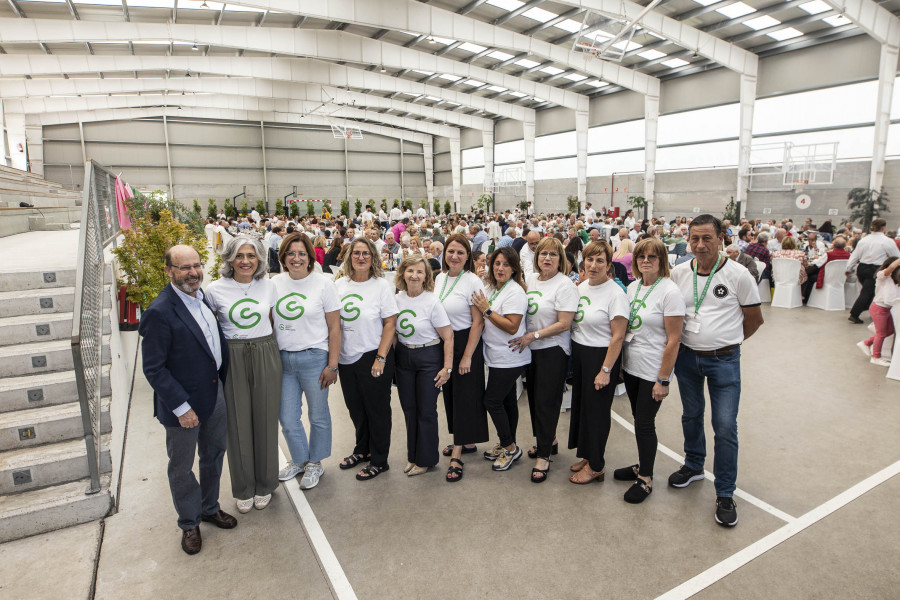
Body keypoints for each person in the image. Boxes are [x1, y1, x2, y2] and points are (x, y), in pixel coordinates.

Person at [140, 244, 236, 555]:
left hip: (213, 393)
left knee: (213, 455)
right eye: (184, 267)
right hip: (183, 406)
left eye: (196, 265)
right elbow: (154, 368)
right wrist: (181, 407)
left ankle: (209, 507)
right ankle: (189, 522)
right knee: (181, 467)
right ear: (169, 271)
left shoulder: (202, 297)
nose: (193, 272)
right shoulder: (159, 311)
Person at [668, 214, 763, 528]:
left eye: (707, 238)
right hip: (686, 359)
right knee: (691, 415)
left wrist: (727, 343)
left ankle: (724, 492)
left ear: (722, 238)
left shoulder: (739, 275)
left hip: (723, 360)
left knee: (724, 426)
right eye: (694, 238)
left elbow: (754, 319)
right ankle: (694, 465)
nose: (699, 245)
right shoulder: (680, 272)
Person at [205, 236, 282, 514]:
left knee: (265, 419)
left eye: (251, 256)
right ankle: (243, 487)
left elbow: (272, 321)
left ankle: (265, 483)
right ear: (229, 259)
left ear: (259, 259)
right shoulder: (215, 290)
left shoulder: (269, 286)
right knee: (237, 423)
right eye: (239, 256)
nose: (245, 261)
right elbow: (211, 328)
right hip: (233, 356)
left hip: (265, 351)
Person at [615, 238, 685, 503]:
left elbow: (674, 339)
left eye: (652, 257)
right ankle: (641, 464)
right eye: (641, 256)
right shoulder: (633, 287)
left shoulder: (670, 291)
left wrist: (663, 379)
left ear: (662, 261)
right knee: (638, 419)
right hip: (633, 366)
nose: (645, 260)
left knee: (645, 423)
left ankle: (645, 479)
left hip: (653, 370)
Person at [272, 233, 341, 490]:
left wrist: (332, 365)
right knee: (288, 417)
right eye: (291, 253)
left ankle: (315, 462)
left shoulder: (323, 284)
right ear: (283, 257)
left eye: (302, 253)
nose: (296, 258)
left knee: (318, 414)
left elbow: (335, 327)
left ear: (310, 257)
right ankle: (299, 459)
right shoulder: (275, 284)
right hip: (283, 360)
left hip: (314, 358)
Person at [510, 237, 579, 483]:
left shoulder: (565, 285)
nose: (547, 258)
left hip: (552, 349)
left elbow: (564, 323)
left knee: (547, 401)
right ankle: (548, 440)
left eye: (553, 254)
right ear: (536, 257)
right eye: (543, 254)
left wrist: (534, 335)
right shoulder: (531, 280)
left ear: (561, 259)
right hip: (532, 349)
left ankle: (544, 455)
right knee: (535, 398)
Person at [334, 238, 398, 480]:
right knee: (356, 408)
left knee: (377, 409)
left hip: (373, 354)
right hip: (346, 357)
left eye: (366, 254)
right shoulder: (339, 285)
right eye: (356, 253)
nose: (361, 257)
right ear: (350, 256)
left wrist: (381, 357)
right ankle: (362, 450)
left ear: (373, 258)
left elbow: (390, 323)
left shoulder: (381, 286)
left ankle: (380, 460)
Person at [568, 240, 628, 487]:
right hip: (581, 354)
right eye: (589, 260)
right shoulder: (581, 288)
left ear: (608, 264)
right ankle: (587, 454)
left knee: (597, 412)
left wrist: (605, 370)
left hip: (601, 357)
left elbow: (618, 336)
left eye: (599, 261)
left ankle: (597, 465)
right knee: (582, 408)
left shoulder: (615, 293)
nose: (593, 265)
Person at [394, 255, 454, 476]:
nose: (414, 275)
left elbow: (448, 336)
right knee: (409, 409)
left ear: (426, 276)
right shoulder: (397, 299)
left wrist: (447, 368)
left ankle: (426, 459)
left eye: (420, 272)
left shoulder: (431, 301)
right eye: (410, 270)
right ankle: (413, 455)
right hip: (404, 356)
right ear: (402, 273)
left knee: (426, 410)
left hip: (428, 357)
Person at [434, 234, 488, 480]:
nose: (454, 256)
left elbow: (478, 323)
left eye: (460, 252)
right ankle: (464, 440)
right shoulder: (439, 278)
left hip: (466, 342)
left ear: (467, 257)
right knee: (451, 394)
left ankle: (457, 453)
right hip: (446, 343)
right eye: (450, 251)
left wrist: (467, 356)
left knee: (464, 396)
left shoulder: (472, 281)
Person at [472, 247, 530, 473]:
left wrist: (487, 311)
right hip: (497, 356)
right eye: (496, 263)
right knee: (506, 402)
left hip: (510, 358)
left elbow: (512, 326)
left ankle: (510, 446)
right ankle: (508, 443)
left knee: (491, 401)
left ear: (514, 268)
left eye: (506, 264)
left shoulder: (515, 292)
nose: (500, 268)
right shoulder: (493, 288)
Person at [846, 218, 900, 324]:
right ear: (884, 227)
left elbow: (855, 255)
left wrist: (848, 268)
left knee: (869, 291)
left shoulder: (864, 240)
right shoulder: (887, 241)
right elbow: (896, 256)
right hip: (876, 269)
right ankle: (855, 313)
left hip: (862, 268)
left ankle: (869, 309)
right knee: (867, 292)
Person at [857, 257, 900, 366]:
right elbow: (890, 268)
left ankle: (866, 343)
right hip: (879, 308)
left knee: (889, 331)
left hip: (887, 309)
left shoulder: (895, 280)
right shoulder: (883, 276)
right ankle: (875, 357)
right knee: (881, 333)